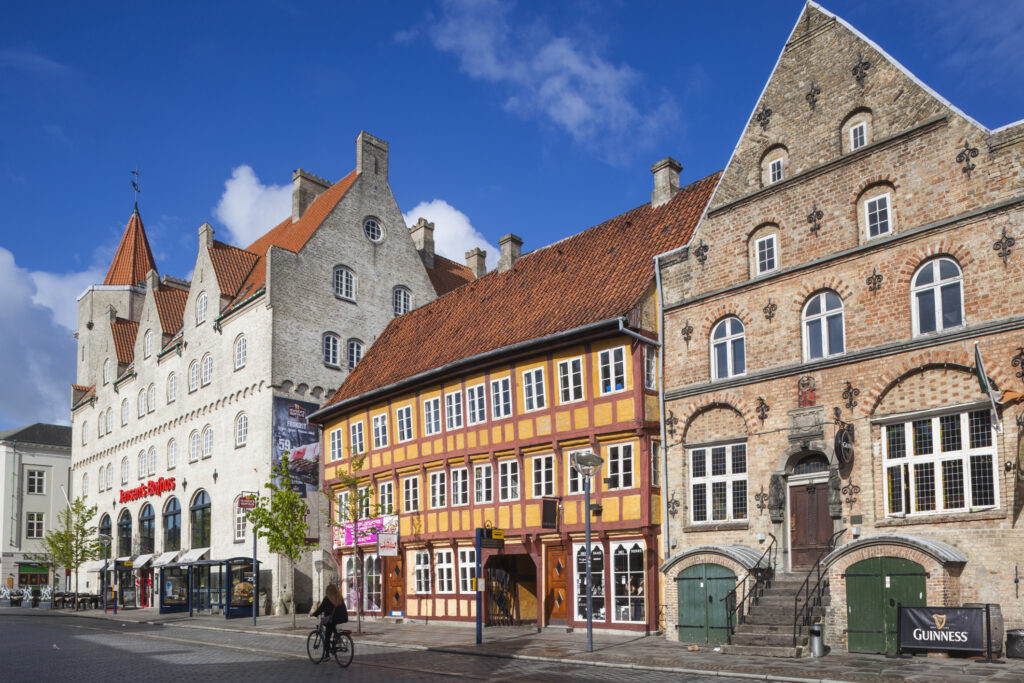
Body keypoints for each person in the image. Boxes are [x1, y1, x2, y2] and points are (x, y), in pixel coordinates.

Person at [310, 584, 348, 650]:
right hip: (342, 618)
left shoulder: (327, 598)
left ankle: (327, 654)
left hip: (333, 619)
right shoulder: (339, 598)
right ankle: (337, 637)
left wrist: (313, 614)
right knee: (332, 625)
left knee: (327, 636)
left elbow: (321, 608)